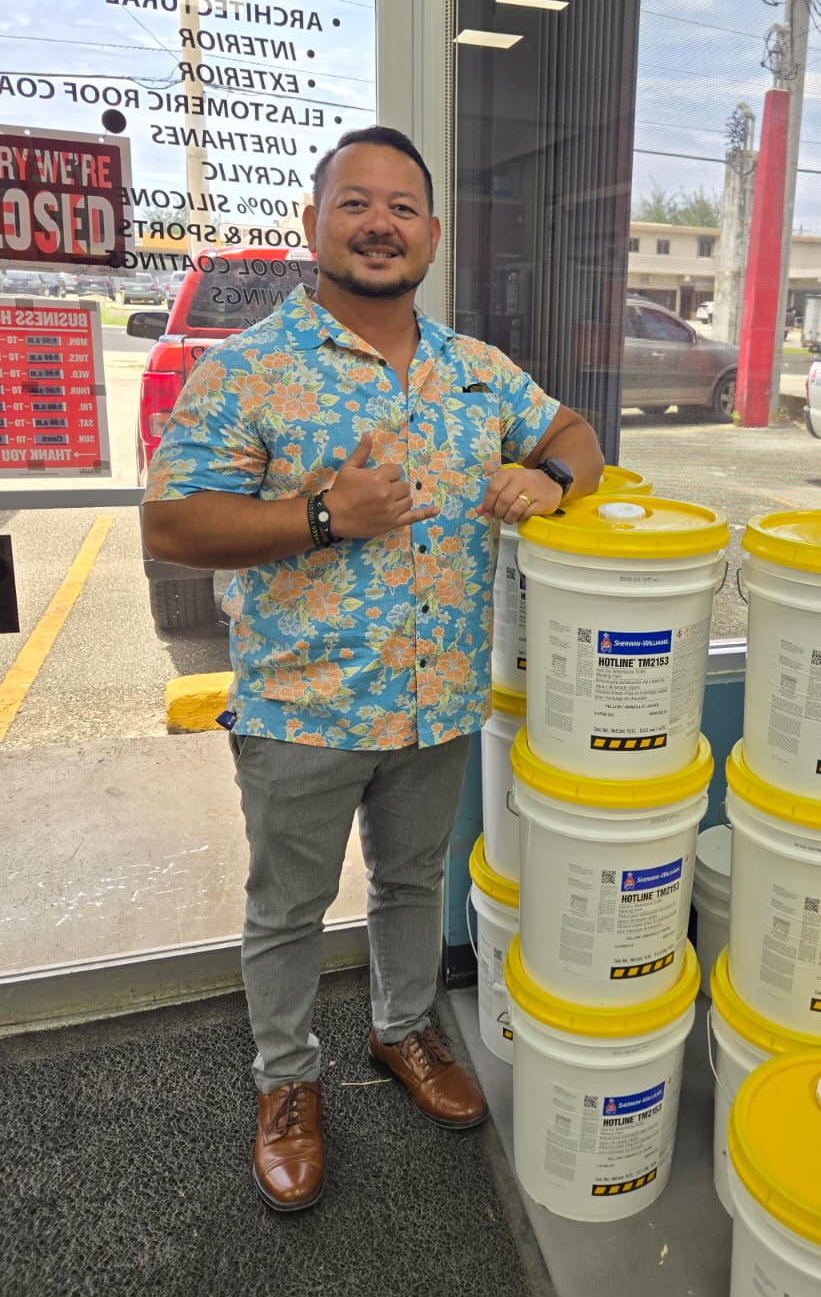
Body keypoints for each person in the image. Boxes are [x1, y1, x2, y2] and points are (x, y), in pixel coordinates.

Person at [142, 125, 604, 1212]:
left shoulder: (475, 372)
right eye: (356, 202)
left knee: (409, 883)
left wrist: (550, 478)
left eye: (402, 206)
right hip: (302, 704)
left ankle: (402, 1032)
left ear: (432, 234)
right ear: (313, 224)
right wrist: (317, 514)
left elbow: (577, 432)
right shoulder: (247, 369)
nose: (380, 223)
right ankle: (285, 1082)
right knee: (289, 907)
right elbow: (170, 523)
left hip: (436, 701)